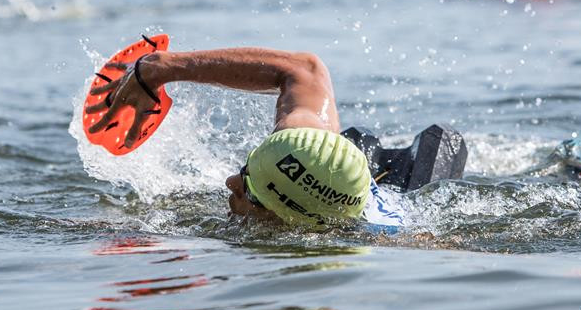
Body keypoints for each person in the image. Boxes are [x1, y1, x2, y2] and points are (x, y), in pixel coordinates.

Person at [86, 47, 405, 228]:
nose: (230, 183)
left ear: (285, 222)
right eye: (244, 171)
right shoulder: (304, 142)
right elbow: (306, 69)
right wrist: (159, 69)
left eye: (249, 190)